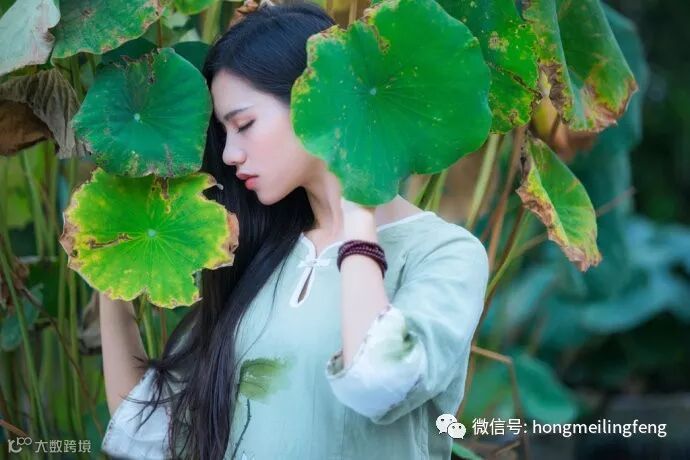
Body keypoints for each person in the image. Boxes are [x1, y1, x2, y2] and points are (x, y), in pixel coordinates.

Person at [99, 1, 490, 459]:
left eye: (244, 124)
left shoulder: (443, 253)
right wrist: (109, 263)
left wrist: (358, 209)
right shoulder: (261, 251)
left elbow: (378, 382)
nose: (229, 154)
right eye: (224, 133)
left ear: (314, 102)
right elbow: (147, 427)